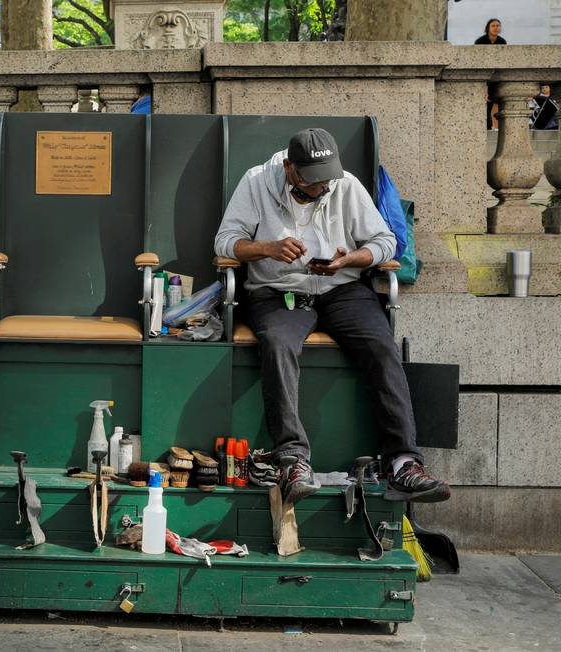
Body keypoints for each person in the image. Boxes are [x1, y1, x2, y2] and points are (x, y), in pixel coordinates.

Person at [213, 128, 450, 506]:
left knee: (381, 345)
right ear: (290, 168)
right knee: (276, 342)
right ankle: (292, 458)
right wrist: (267, 249)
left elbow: (385, 242)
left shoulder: (345, 185)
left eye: (327, 180)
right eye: (313, 182)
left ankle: (403, 463)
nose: (322, 188)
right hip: (278, 291)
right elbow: (225, 242)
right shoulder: (257, 182)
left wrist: (349, 259)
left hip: (340, 288)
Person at [475, 18, 507, 129]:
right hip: (483, 76)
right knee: (484, 107)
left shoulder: (502, 42)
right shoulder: (480, 42)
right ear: (488, 28)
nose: (496, 28)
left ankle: (491, 127)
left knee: (494, 104)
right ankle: (485, 128)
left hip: (496, 76)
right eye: (493, 25)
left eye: (498, 25)